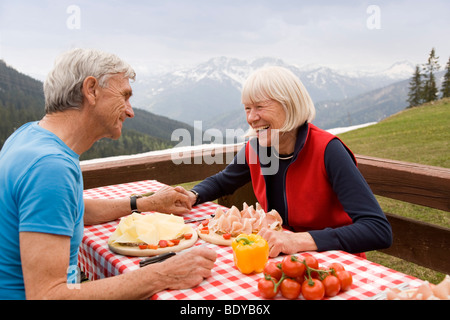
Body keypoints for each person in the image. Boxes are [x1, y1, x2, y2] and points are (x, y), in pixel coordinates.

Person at [0, 48, 216, 300]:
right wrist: (162, 274)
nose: (130, 111)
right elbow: (48, 295)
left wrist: (145, 203)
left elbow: (68, 209)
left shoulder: (29, 136)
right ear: (90, 90)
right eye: (124, 96)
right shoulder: (50, 167)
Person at [188, 66, 392, 258]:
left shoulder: (328, 150)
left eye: (260, 107)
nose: (251, 117)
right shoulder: (257, 147)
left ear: (289, 105)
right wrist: (191, 195)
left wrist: (298, 240)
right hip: (284, 257)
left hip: (334, 262)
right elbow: (223, 181)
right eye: (247, 108)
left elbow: (377, 229)